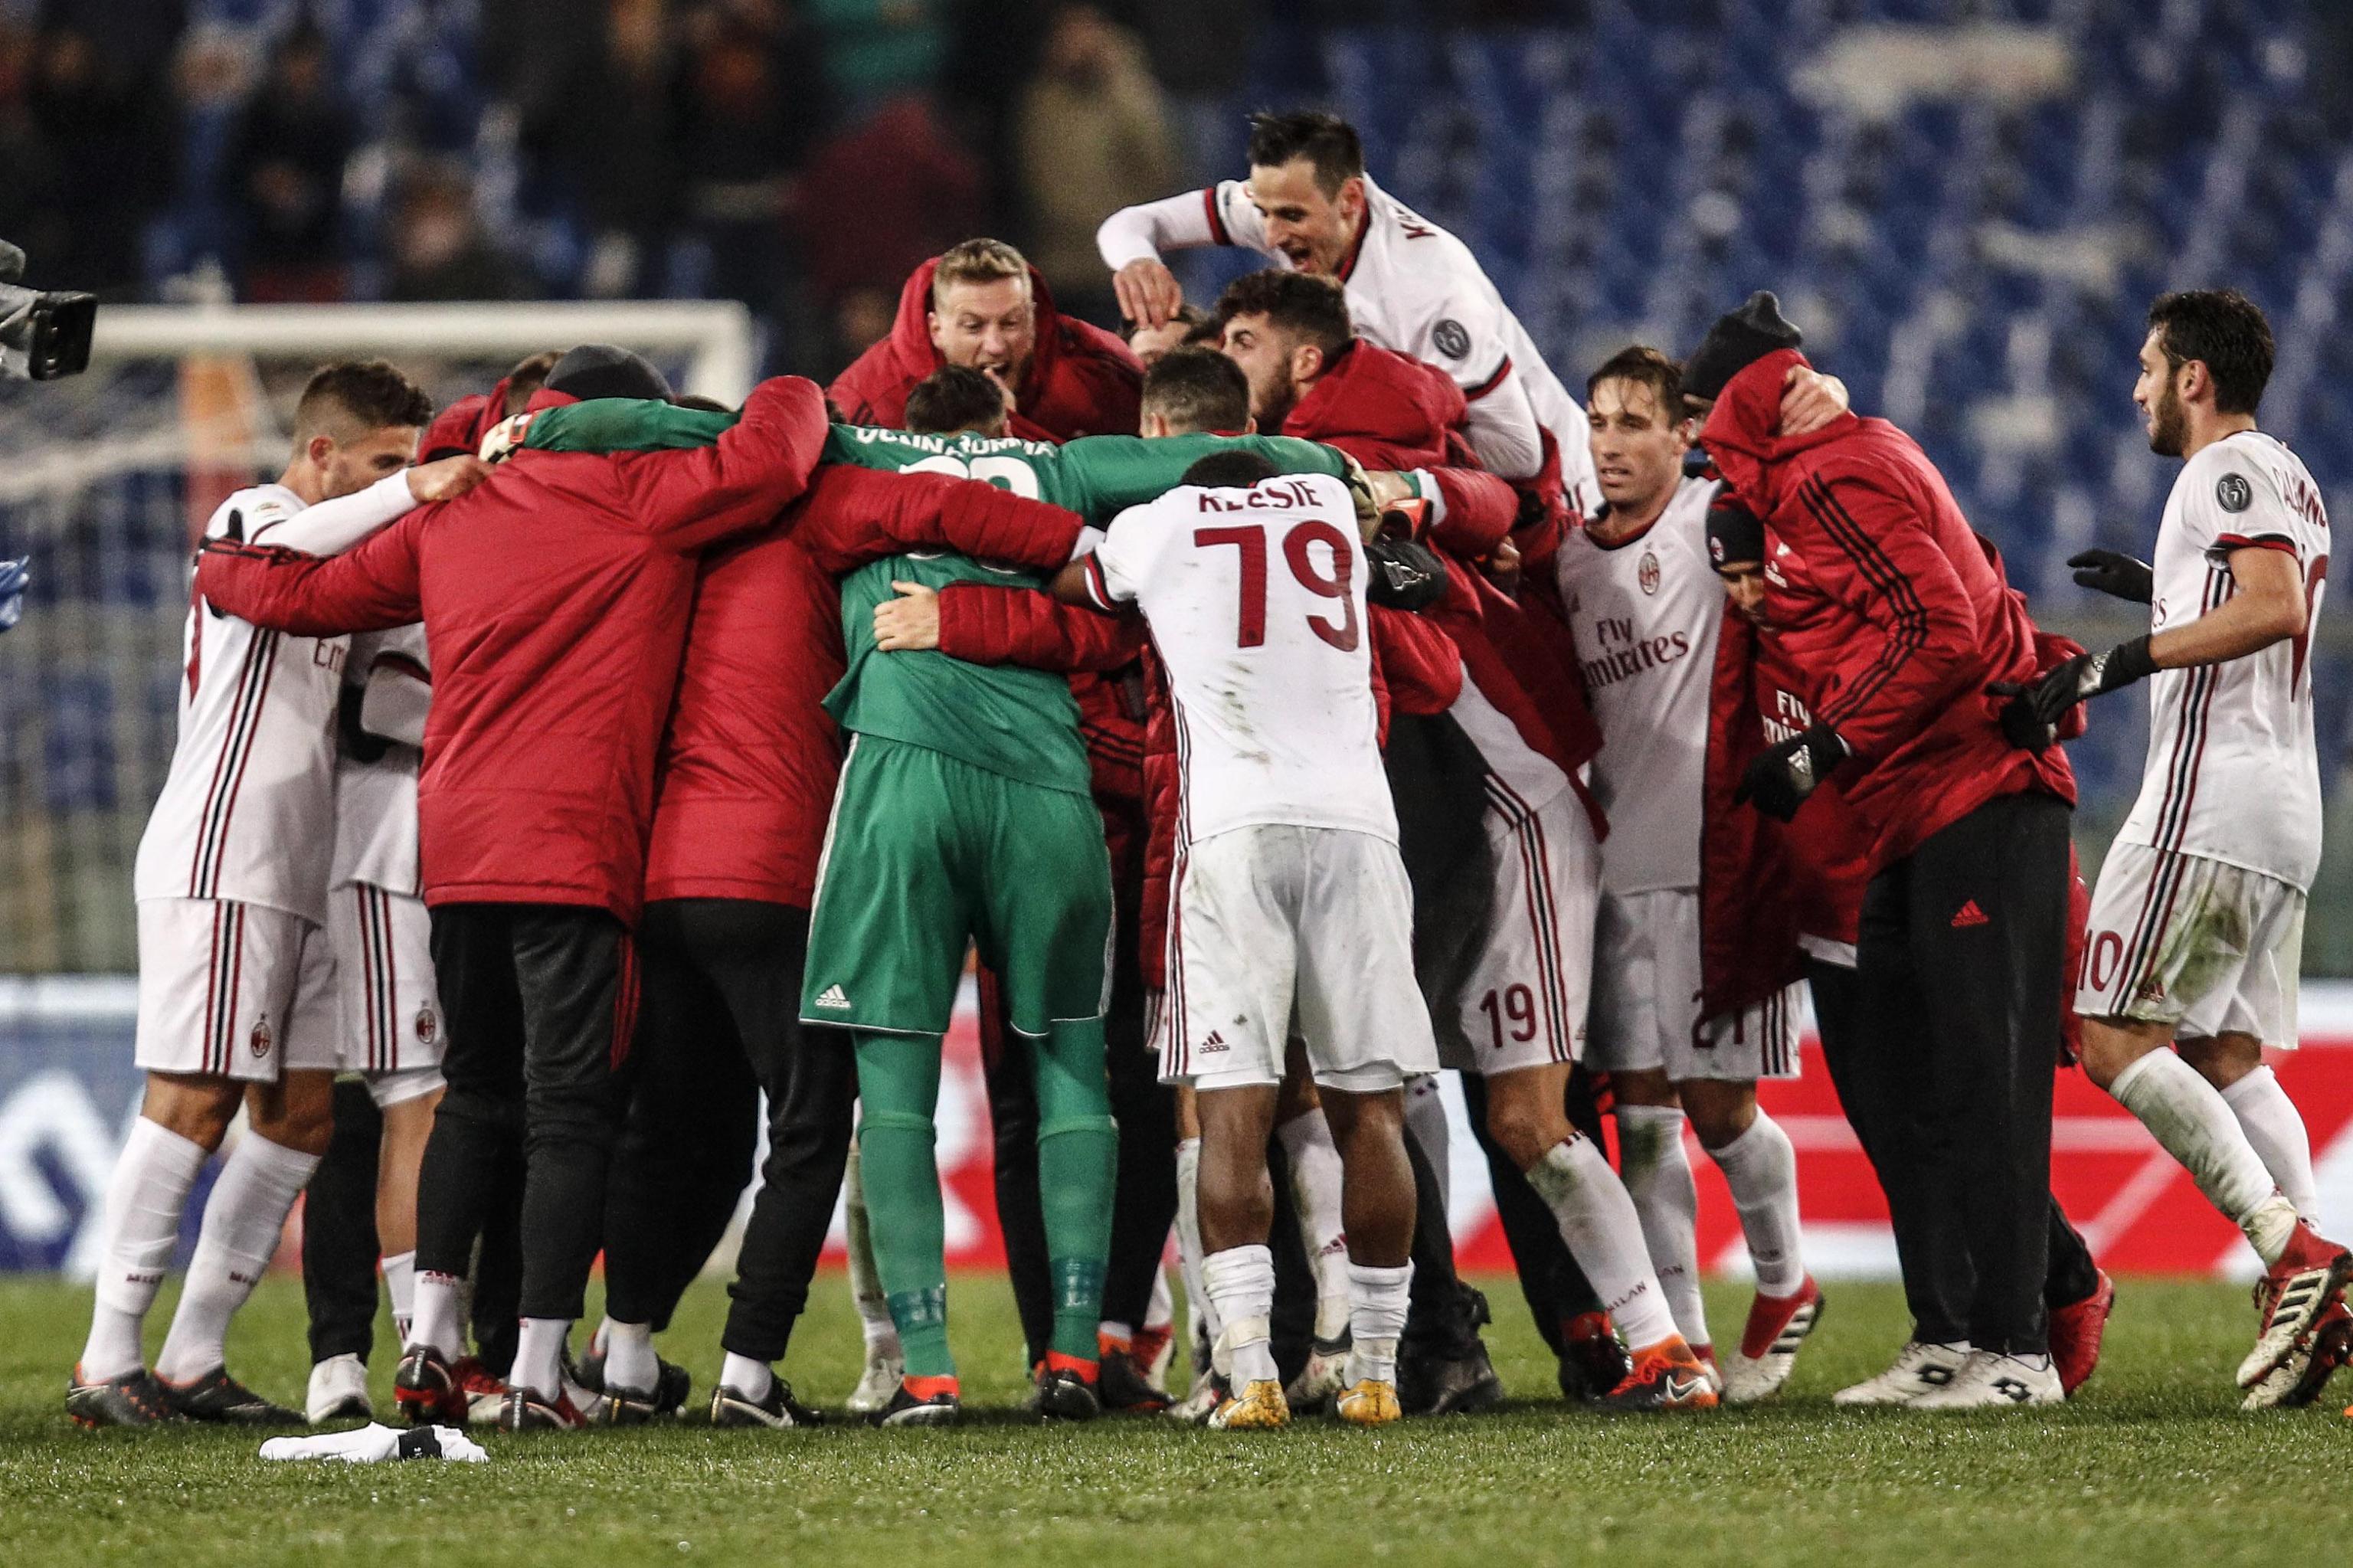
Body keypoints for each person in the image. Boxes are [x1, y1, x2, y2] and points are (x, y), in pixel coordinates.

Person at [191, 346, 833, 1432]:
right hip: (576, 847)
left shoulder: (459, 504)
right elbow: (782, 439)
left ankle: (429, 1344)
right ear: (631, 422)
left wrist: (218, 563)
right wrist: (771, 390)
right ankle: (537, 1366)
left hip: (455, 847)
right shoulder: (648, 498)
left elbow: (288, 591)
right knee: (570, 1109)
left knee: (474, 1094)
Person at [67, 362, 488, 1428]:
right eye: (383, 461)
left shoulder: (343, 564)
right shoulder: (260, 512)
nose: (405, 478)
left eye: (412, 459)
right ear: (322, 456)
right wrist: (412, 492)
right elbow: (266, 563)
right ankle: (103, 1358)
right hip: (224, 847)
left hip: (300, 865)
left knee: (299, 1115)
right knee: (194, 1094)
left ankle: (192, 1352)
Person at [1691, 291, 2079, 1408]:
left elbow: (1943, 629)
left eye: (1703, 419)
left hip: (1978, 794)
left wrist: (1826, 744)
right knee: (1927, 1084)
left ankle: (2016, 1350)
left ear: (1739, 405)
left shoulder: (1833, 473)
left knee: (1988, 1083)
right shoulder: (1825, 474)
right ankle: (1954, 1333)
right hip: (1922, 805)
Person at [2017, 289, 2351, 1408]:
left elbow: (2270, 608)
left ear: (2195, 378)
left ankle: (2292, 1253)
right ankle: (2317, 1300)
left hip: (2210, 798)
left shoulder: (2224, 468)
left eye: (2151, 367)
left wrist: (2127, 653)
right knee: (2222, 1058)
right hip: (2281, 805)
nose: (2139, 389)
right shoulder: (2292, 478)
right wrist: (2162, 585)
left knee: (2112, 1033)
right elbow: (2258, 590)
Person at [1053, 452, 1435, 1430]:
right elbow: (1417, 546)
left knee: (1230, 1109)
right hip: (1358, 825)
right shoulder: (1331, 507)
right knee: (1371, 1111)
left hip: (1233, 827)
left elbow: (1070, 580)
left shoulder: (1163, 518)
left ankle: (1253, 1371)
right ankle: (1378, 1372)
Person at [1553, 346, 1816, 1403]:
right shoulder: (1572, 560)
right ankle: (1687, 1343)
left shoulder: (1720, 525)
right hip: (1619, 863)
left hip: (1722, 860)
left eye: (1632, 423)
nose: (1610, 442)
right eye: (1598, 422)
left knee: (1718, 1106)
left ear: (1681, 435)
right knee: (1642, 1110)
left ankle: (1788, 1279)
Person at [1099, 110, 1590, 501]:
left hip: (1566, 492)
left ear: (1351, 200)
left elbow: (1520, 453)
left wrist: (1388, 457)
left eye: (1289, 216)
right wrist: (1138, 262)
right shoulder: (1289, 206)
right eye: (1263, 213)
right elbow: (1129, 225)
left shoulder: (1426, 291)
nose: (1269, 234)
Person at [829, 237, 1142, 440]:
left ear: (1033, 321)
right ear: (936, 330)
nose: (995, 345)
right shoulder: (866, 405)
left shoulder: (1099, 371)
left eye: (1010, 323)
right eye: (973, 327)